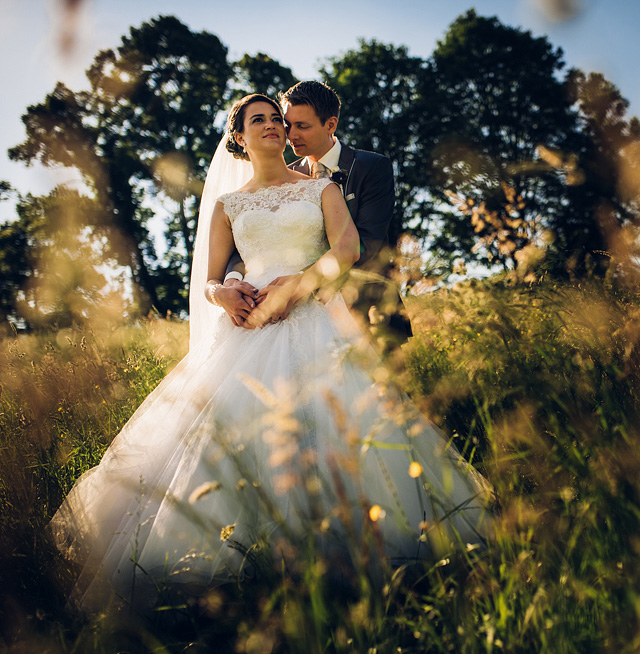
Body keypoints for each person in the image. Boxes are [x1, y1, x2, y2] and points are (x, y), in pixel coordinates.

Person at [49, 93, 488, 613]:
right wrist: (223, 294)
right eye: (259, 119)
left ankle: (346, 560)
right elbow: (211, 277)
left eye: (277, 118)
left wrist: (299, 284)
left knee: (341, 424)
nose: (273, 125)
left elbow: (347, 249)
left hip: (314, 318)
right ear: (238, 137)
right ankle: (235, 564)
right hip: (247, 326)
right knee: (228, 433)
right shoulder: (228, 205)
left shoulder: (321, 188)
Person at [220, 80, 412, 351]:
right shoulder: (283, 176)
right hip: (283, 317)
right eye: (288, 125)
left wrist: (301, 286)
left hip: (366, 312)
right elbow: (251, 243)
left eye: (303, 126)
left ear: (330, 125)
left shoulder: (370, 167)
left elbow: (367, 245)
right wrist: (230, 284)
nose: (291, 134)